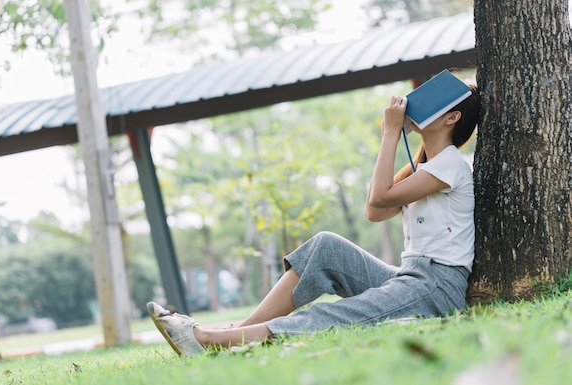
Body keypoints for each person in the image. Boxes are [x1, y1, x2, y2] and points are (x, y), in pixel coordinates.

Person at [147, 78, 481, 357]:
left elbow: (380, 196)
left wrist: (390, 134)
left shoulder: (451, 164)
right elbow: (374, 211)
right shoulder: (423, 167)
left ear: (451, 117)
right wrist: (394, 138)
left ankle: (206, 340)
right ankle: (241, 329)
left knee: (335, 314)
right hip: (410, 276)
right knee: (326, 247)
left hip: (435, 287)